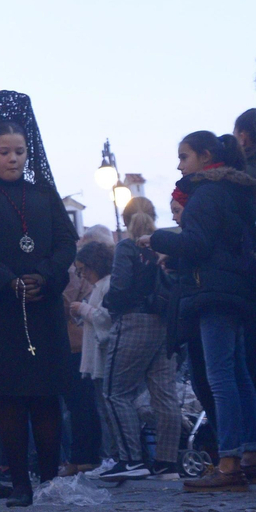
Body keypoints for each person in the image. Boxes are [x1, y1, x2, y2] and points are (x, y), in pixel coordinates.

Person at [0, 93, 77, 507]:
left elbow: (66, 242)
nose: (13, 159)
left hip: (42, 306)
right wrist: (5, 280)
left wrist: (45, 274)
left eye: (20, 151)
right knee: (10, 398)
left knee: (46, 396)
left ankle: (50, 479)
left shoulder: (43, 194)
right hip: (0, 310)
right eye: (4, 152)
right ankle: (21, 483)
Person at [147, 132, 256, 492]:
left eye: (184, 157)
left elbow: (198, 244)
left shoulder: (206, 193)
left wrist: (157, 238)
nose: (179, 165)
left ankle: (229, 462)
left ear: (204, 156)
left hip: (213, 292)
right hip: (236, 289)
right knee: (239, 375)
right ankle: (253, 456)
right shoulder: (235, 191)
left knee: (220, 377)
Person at [99, 198, 181, 480]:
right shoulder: (166, 246)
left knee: (115, 392)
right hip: (166, 324)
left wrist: (110, 304)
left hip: (134, 320)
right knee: (164, 394)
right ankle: (167, 462)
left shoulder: (127, 247)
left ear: (125, 220)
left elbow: (120, 286)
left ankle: (132, 459)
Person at [71, 240, 116, 471]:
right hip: (95, 359)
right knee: (103, 409)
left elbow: (105, 319)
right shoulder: (98, 287)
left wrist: (82, 309)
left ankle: (115, 456)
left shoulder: (107, 286)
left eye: (83, 270)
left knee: (109, 409)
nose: (83, 276)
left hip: (104, 358)